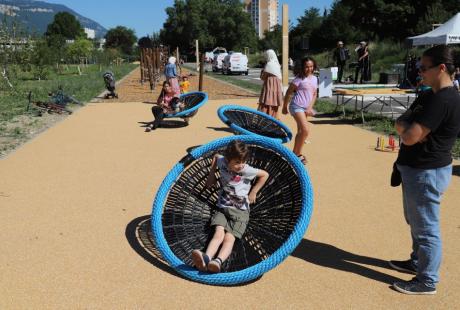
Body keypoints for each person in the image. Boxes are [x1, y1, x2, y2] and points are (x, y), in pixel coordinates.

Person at [390, 45, 460, 295]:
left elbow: (409, 135)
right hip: (415, 169)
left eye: (423, 67)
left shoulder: (445, 99)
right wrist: (407, 129)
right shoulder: (429, 94)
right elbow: (402, 123)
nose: (419, 72)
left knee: (426, 227)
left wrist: (408, 130)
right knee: (415, 220)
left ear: (441, 68)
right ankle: (417, 261)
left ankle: (427, 281)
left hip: (427, 171)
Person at [191, 140, 269, 273]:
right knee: (218, 233)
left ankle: (218, 261)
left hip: (240, 212)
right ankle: (207, 257)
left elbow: (265, 175)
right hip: (222, 207)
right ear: (228, 159)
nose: (241, 165)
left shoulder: (247, 169)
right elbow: (216, 157)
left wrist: (253, 192)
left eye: (243, 161)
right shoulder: (222, 161)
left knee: (229, 238)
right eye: (237, 162)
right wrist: (211, 176)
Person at [282, 57, 318, 165]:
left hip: (305, 108)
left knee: (301, 132)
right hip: (296, 106)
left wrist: (309, 107)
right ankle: (296, 155)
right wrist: (284, 106)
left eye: (311, 66)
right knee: (305, 130)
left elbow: (314, 93)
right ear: (302, 67)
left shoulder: (315, 78)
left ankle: (296, 154)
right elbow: (288, 92)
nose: (309, 69)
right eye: (307, 67)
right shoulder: (299, 79)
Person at [257, 49, 283, 119]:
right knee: (274, 102)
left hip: (269, 85)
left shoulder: (269, 64)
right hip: (277, 86)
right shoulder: (277, 65)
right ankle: (273, 117)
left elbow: (263, 77)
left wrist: (262, 71)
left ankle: (263, 118)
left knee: (266, 101)